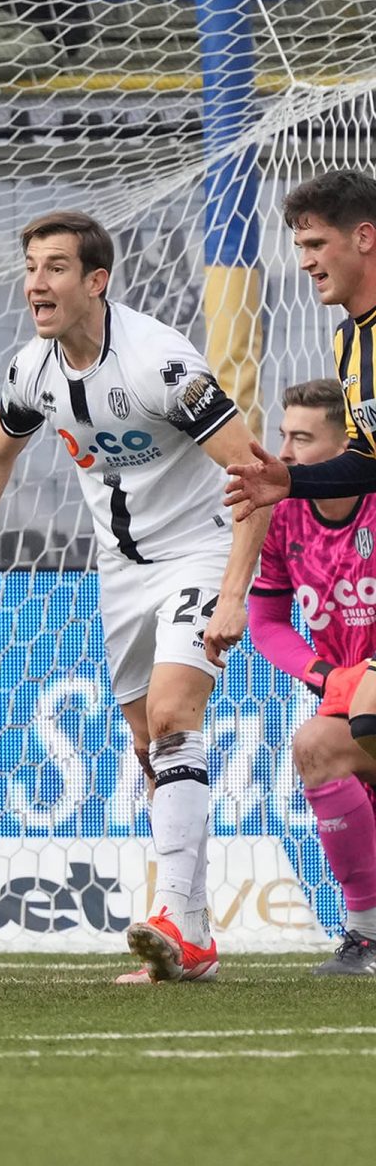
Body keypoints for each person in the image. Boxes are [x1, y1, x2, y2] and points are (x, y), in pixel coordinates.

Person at [0, 209, 269, 984]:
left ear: (96, 280)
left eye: (54, 267)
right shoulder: (33, 370)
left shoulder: (159, 362)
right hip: (119, 573)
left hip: (200, 549)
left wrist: (232, 592)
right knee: (153, 752)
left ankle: (171, 918)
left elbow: (255, 471)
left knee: (173, 714)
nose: (35, 283)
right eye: (29, 267)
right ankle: (193, 938)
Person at [244, 378, 376, 975]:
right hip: (348, 695)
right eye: (282, 436)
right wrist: (328, 677)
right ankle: (366, 939)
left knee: (324, 740)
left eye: (301, 438)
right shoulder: (283, 518)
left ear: (348, 445)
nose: (286, 453)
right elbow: (266, 621)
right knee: (318, 749)